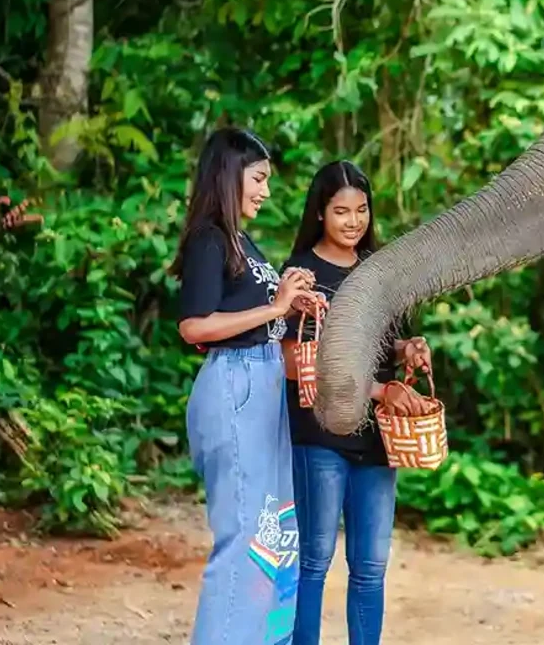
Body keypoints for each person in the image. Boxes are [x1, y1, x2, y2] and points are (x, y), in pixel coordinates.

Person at [171, 127, 321, 645]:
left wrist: (289, 306)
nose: (265, 191)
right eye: (258, 178)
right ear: (229, 175)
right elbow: (195, 326)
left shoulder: (243, 241)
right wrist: (274, 307)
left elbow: (252, 315)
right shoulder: (209, 237)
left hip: (264, 386)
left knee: (274, 537)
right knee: (244, 539)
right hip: (235, 387)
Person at [279, 160, 433, 645]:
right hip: (320, 435)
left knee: (370, 566)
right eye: (341, 211)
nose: (353, 221)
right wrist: (377, 390)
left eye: (362, 210)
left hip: (377, 439)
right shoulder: (301, 275)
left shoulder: (377, 269)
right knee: (314, 559)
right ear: (320, 214)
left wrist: (405, 349)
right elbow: (294, 360)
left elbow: (377, 341)